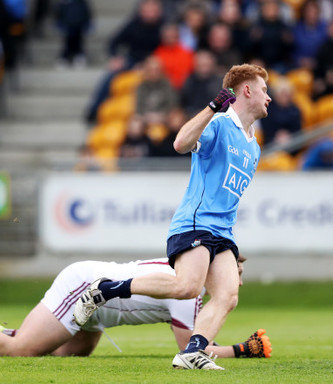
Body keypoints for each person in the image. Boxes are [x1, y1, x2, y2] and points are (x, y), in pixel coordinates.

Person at [73, 63, 271, 370]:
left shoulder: (253, 145)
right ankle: (105, 289)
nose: (268, 97)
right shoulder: (219, 124)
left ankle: (192, 352)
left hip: (224, 232)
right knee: (187, 288)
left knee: (228, 295)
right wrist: (211, 108)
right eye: (264, 90)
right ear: (247, 90)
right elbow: (180, 143)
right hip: (197, 223)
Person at [0, 256, 272, 359]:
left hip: (100, 312)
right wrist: (243, 350)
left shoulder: (189, 271)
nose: (236, 280)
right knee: (24, 351)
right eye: (235, 272)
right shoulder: (188, 290)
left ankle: (7, 333)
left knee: (74, 352)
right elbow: (191, 351)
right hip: (85, 286)